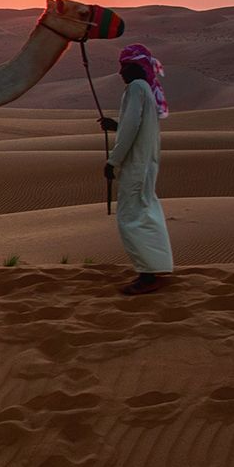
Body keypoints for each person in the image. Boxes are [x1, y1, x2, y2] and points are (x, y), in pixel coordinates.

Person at [98, 43, 173, 295]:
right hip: (145, 164)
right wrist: (114, 125)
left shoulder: (136, 89)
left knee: (130, 217)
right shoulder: (145, 90)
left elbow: (130, 129)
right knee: (146, 211)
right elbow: (135, 126)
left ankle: (148, 275)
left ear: (136, 67)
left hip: (136, 165)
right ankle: (157, 267)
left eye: (124, 67)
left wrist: (112, 161)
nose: (120, 73)